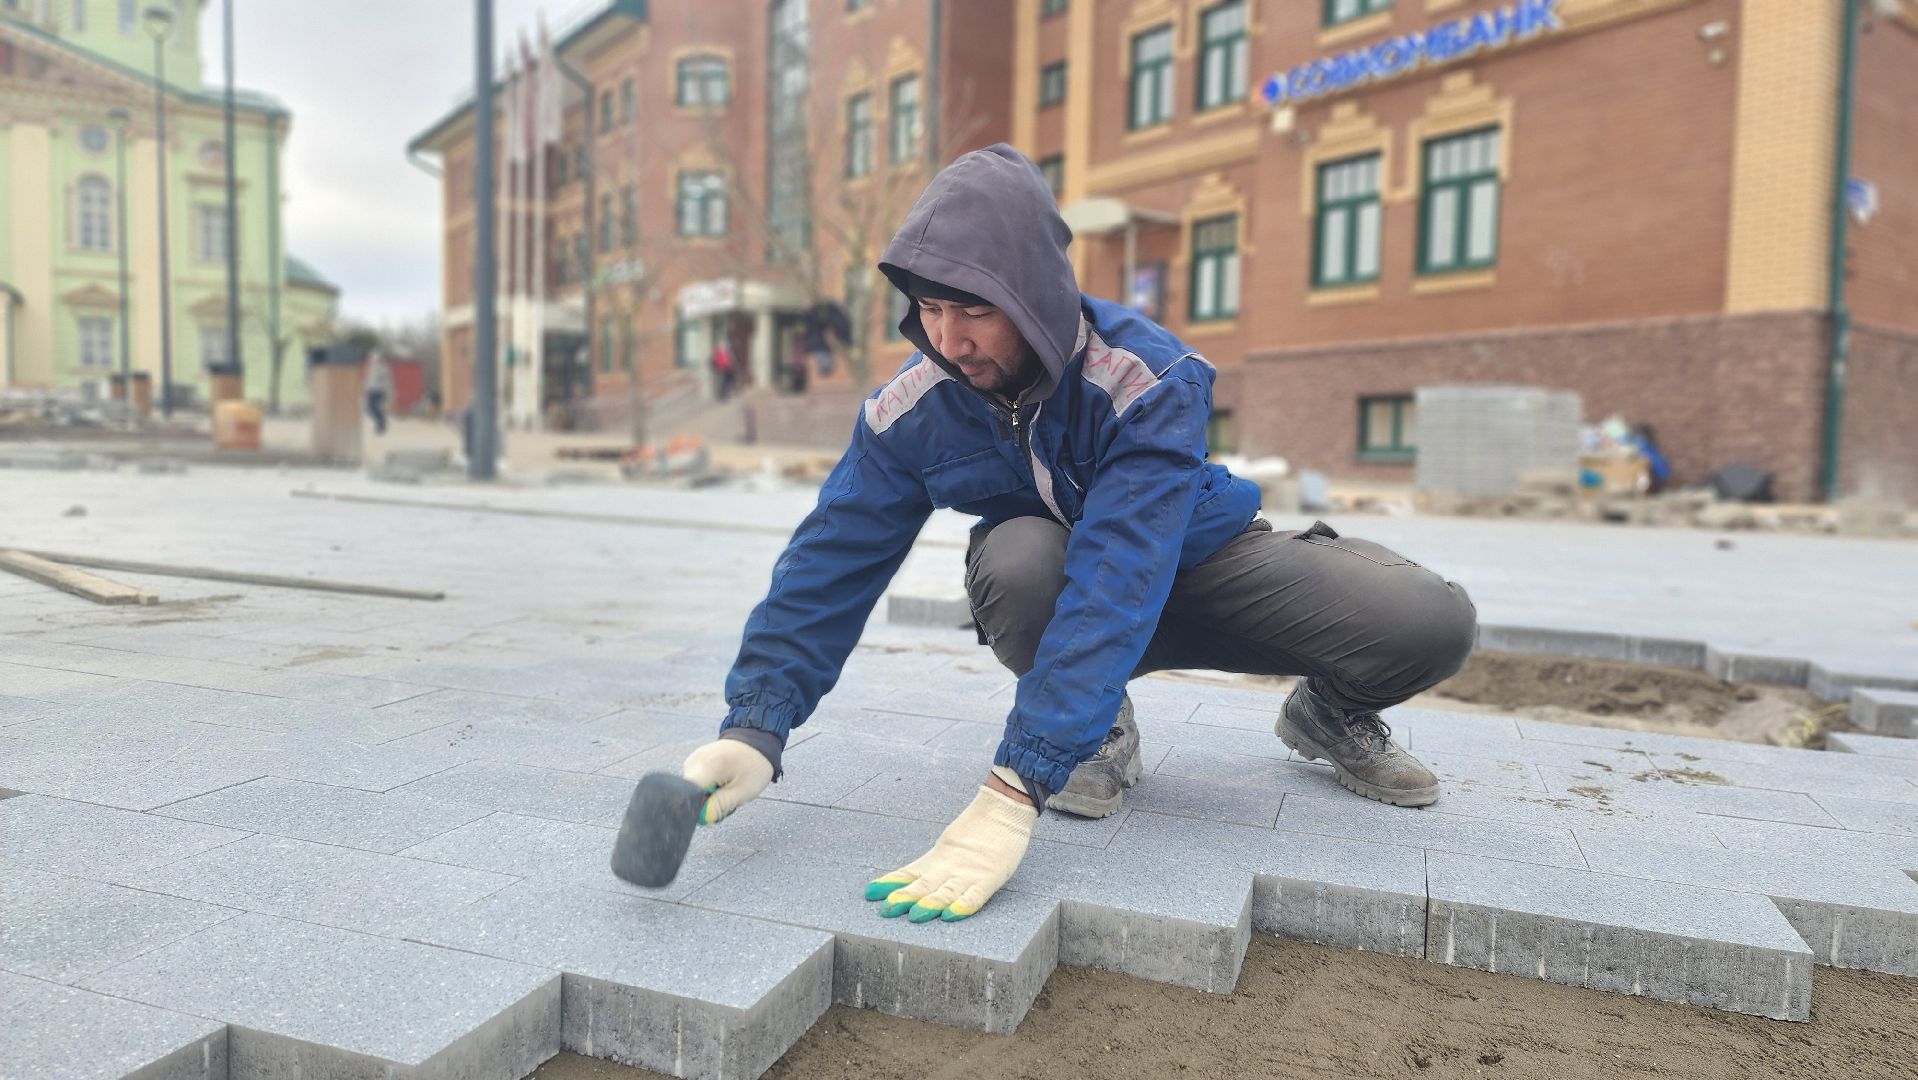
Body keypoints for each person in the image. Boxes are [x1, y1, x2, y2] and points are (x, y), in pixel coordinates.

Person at [679, 145, 1477, 925]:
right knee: (1020, 557)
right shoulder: (914, 406)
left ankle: (1327, 715)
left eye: (975, 311)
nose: (949, 342)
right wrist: (757, 723)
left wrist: (1012, 788)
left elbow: (1123, 566)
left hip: (1199, 564)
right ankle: (1089, 728)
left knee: (1426, 621)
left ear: (1031, 294)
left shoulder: (1144, 377)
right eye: (930, 310)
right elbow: (830, 560)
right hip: (1056, 590)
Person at [364, 353, 392, 435]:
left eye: (374, 359)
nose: (372, 361)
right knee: (369, 409)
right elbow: (368, 380)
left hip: (379, 391)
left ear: (378, 360)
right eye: (371, 359)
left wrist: (388, 392)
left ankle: (380, 425)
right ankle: (381, 422)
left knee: (376, 408)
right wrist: (366, 388)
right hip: (371, 391)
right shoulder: (370, 368)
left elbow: (388, 381)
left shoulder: (384, 369)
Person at [711, 336, 737, 400]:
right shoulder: (720, 352)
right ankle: (723, 395)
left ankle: (724, 394)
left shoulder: (721, 352)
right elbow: (724, 361)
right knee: (724, 382)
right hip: (723, 369)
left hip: (724, 369)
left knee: (726, 382)